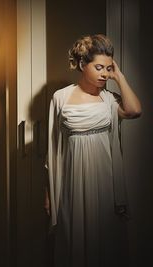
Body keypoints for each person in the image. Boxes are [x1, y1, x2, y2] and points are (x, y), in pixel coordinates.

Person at [45, 34, 142, 267]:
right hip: (72, 182)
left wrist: (119, 76)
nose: (104, 74)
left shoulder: (109, 99)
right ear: (81, 64)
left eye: (108, 69)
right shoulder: (61, 98)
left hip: (105, 181)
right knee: (74, 238)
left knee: (106, 240)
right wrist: (48, 193)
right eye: (99, 67)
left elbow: (134, 110)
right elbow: (52, 148)